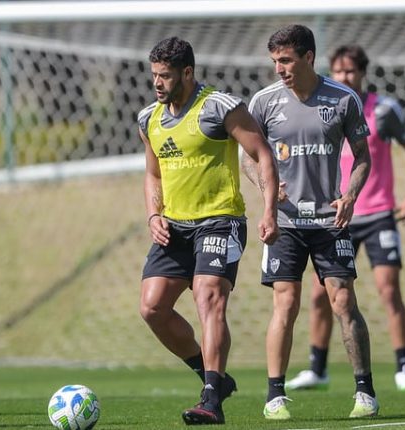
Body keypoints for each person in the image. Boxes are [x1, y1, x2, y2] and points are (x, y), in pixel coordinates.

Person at [138, 37, 279, 425]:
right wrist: (154, 215)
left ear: (187, 72)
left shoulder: (220, 107)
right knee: (152, 308)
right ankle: (210, 374)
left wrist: (269, 209)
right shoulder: (148, 118)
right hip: (175, 227)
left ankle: (211, 399)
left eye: (165, 75)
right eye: (154, 75)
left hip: (220, 220)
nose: (158, 83)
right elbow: (152, 174)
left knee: (208, 296)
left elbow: (261, 153)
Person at [243, 25, 379, 420]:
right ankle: (274, 396)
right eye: (274, 62)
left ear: (308, 57)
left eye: (286, 60)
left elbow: (362, 156)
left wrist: (350, 196)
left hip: (328, 220)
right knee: (285, 303)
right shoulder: (264, 102)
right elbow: (248, 158)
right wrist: (267, 188)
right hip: (284, 222)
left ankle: (365, 392)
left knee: (343, 301)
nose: (279, 69)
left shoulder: (342, 99)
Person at [285, 44, 405, 392]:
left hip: (376, 214)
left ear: (363, 72)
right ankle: (318, 368)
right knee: (321, 296)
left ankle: (403, 366)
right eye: (339, 71)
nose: (345, 77)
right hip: (334, 217)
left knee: (388, 290)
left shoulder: (384, 109)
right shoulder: (325, 107)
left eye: (351, 71)